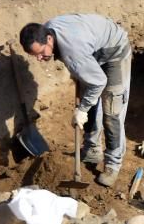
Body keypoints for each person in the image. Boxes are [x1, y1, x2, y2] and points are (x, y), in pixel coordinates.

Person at [19, 14, 132, 187]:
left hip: (115, 51)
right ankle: (93, 148)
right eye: (35, 55)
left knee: (111, 112)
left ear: (49, 39)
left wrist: (82, 109)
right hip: (93, 52)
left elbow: (98, 81)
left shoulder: (72, 51)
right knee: (90, 102)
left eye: (41, 53)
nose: (39, 59)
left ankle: (112, 164)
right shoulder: (49, 30)